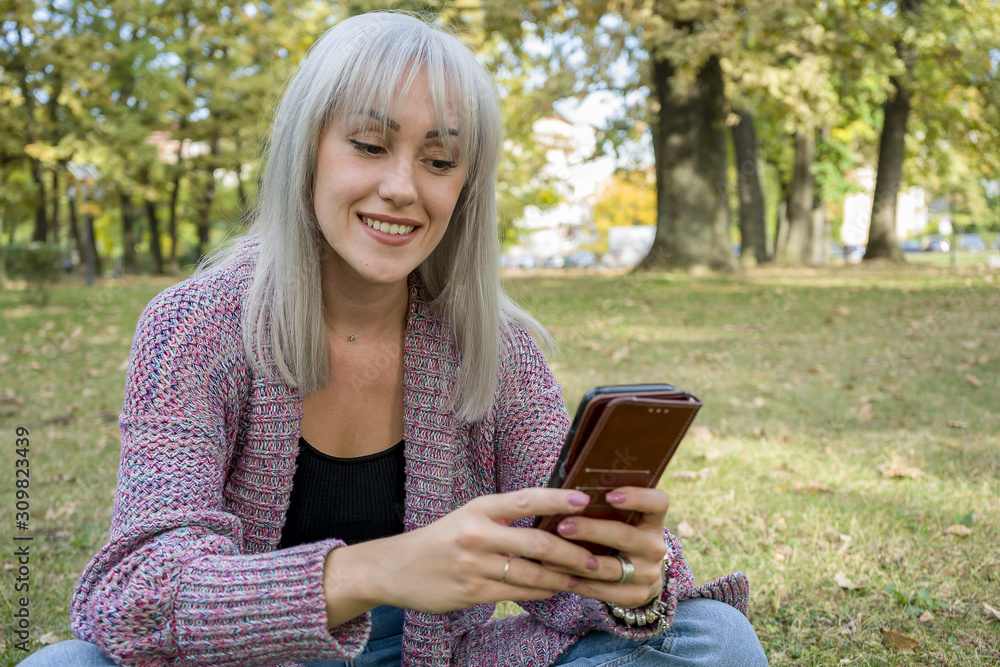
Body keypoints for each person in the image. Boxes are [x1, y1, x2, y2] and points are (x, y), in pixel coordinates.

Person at [20, 11, 767, 667]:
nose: (404, 187)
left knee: (715, 640)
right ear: (307, 150)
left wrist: (633, 583)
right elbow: (138, 595)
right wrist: (377, 571)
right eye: (370, 145)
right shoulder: (194, 326)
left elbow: (568, 577)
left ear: (465, 187)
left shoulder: (496, 349)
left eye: (439, 161)